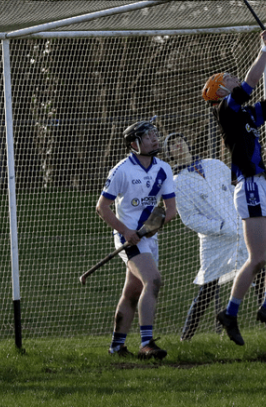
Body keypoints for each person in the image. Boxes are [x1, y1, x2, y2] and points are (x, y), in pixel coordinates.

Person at [202, 29, 266, 346]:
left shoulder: (241, 114)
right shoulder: (226, 109)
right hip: (250, 187)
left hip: (263, 187)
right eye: (228, 77)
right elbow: (251, 82)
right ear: (220, 91)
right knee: (257, 257)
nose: (233, 78)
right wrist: (265, 49)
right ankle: (231, 312)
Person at [163, 132, 259, 341]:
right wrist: (221, 226)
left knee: (258, 275)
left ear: (188, 142)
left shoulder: (214, 164)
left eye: (180, 140)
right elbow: (190, 219)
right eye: (171, 145)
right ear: (169, 154)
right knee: (207, 290)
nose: (178, 144)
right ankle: (185, 338)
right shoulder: (176, 183)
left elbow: (236, 187)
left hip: (240, 231)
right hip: (214, 242)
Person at [96, 119, 177, 360]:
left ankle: (116, 346)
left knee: (132, 292)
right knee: (153, 281)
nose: (155, 138)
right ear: (134, 143)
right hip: (126, 238)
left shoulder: (164, 169)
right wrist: (127, 231)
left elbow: (170, 210)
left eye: (155, 133)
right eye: (148, 135)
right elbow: (102, 208)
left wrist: (153, 227)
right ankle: (146, 343)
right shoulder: (121, 170)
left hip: (148, 239)